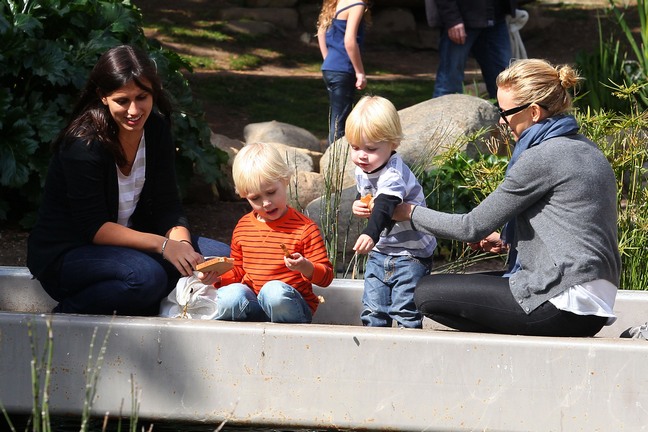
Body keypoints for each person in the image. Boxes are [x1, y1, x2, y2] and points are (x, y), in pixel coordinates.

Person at [393, 59, 621, 337]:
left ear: (534, 112)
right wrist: (506, 240)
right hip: (592, 303)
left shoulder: (543, 155)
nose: (502, 121)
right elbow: (570, 226)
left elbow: (470, 227)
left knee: (426, 293)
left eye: (506, 112)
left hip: (563, 304)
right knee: (457, 292)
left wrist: (408, 212)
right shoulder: (586, 148)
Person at [26, 45, 230, 316]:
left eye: (142, 97)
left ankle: (146, 299)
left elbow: (168, 206)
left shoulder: (156, 130)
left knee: (222, 257)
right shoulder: (83, 144)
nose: (134, 110)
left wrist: (183, 247)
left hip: (133, 246)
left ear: (153, 94)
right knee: (146, 278)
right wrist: (165, 246)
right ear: (103, 97)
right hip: (70, 253)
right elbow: (94, 228)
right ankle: (67, 312)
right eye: (122, 100)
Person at [212, 142, 334, 323]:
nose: (266, 203)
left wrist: (304, 266)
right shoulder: (244, 227)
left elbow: (326, 277)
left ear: (285, 180)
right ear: (243, 195)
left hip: (291, 309)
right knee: (228, 296)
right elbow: (238, 271)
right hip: (255, 306)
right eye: (255, 198)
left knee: (273, 292)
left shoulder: (304, 229)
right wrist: (216, 277)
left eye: (271, 192)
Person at [347, 96, 437, 328]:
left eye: (370, 148)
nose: (361, 156)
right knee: (373, 310)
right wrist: (359, 203)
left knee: (405, 311)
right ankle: (374, 358)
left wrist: (370, 233)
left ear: (393, 144)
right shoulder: (364, 168)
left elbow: (386, 204)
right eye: (355, 147)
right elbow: (368, 194)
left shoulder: (394, 174)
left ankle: (408, 356)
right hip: (382, 252)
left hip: (410, 254)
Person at [432, 0, 517, 99]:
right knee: (449, 84)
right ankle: (444, 114)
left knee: (506, 84)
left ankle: (505, 113)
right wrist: (452, 20)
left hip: (496, 17)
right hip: (462, 19)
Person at [317, 0, 369, 145]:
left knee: (336, 117)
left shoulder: (336, 3)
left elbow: (321, 31)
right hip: (344, 69)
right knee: (340, 122)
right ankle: (334, 162)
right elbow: (349, 41)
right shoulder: (357, 5)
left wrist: (328, 59)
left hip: (330, 68)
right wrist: (360, 72)